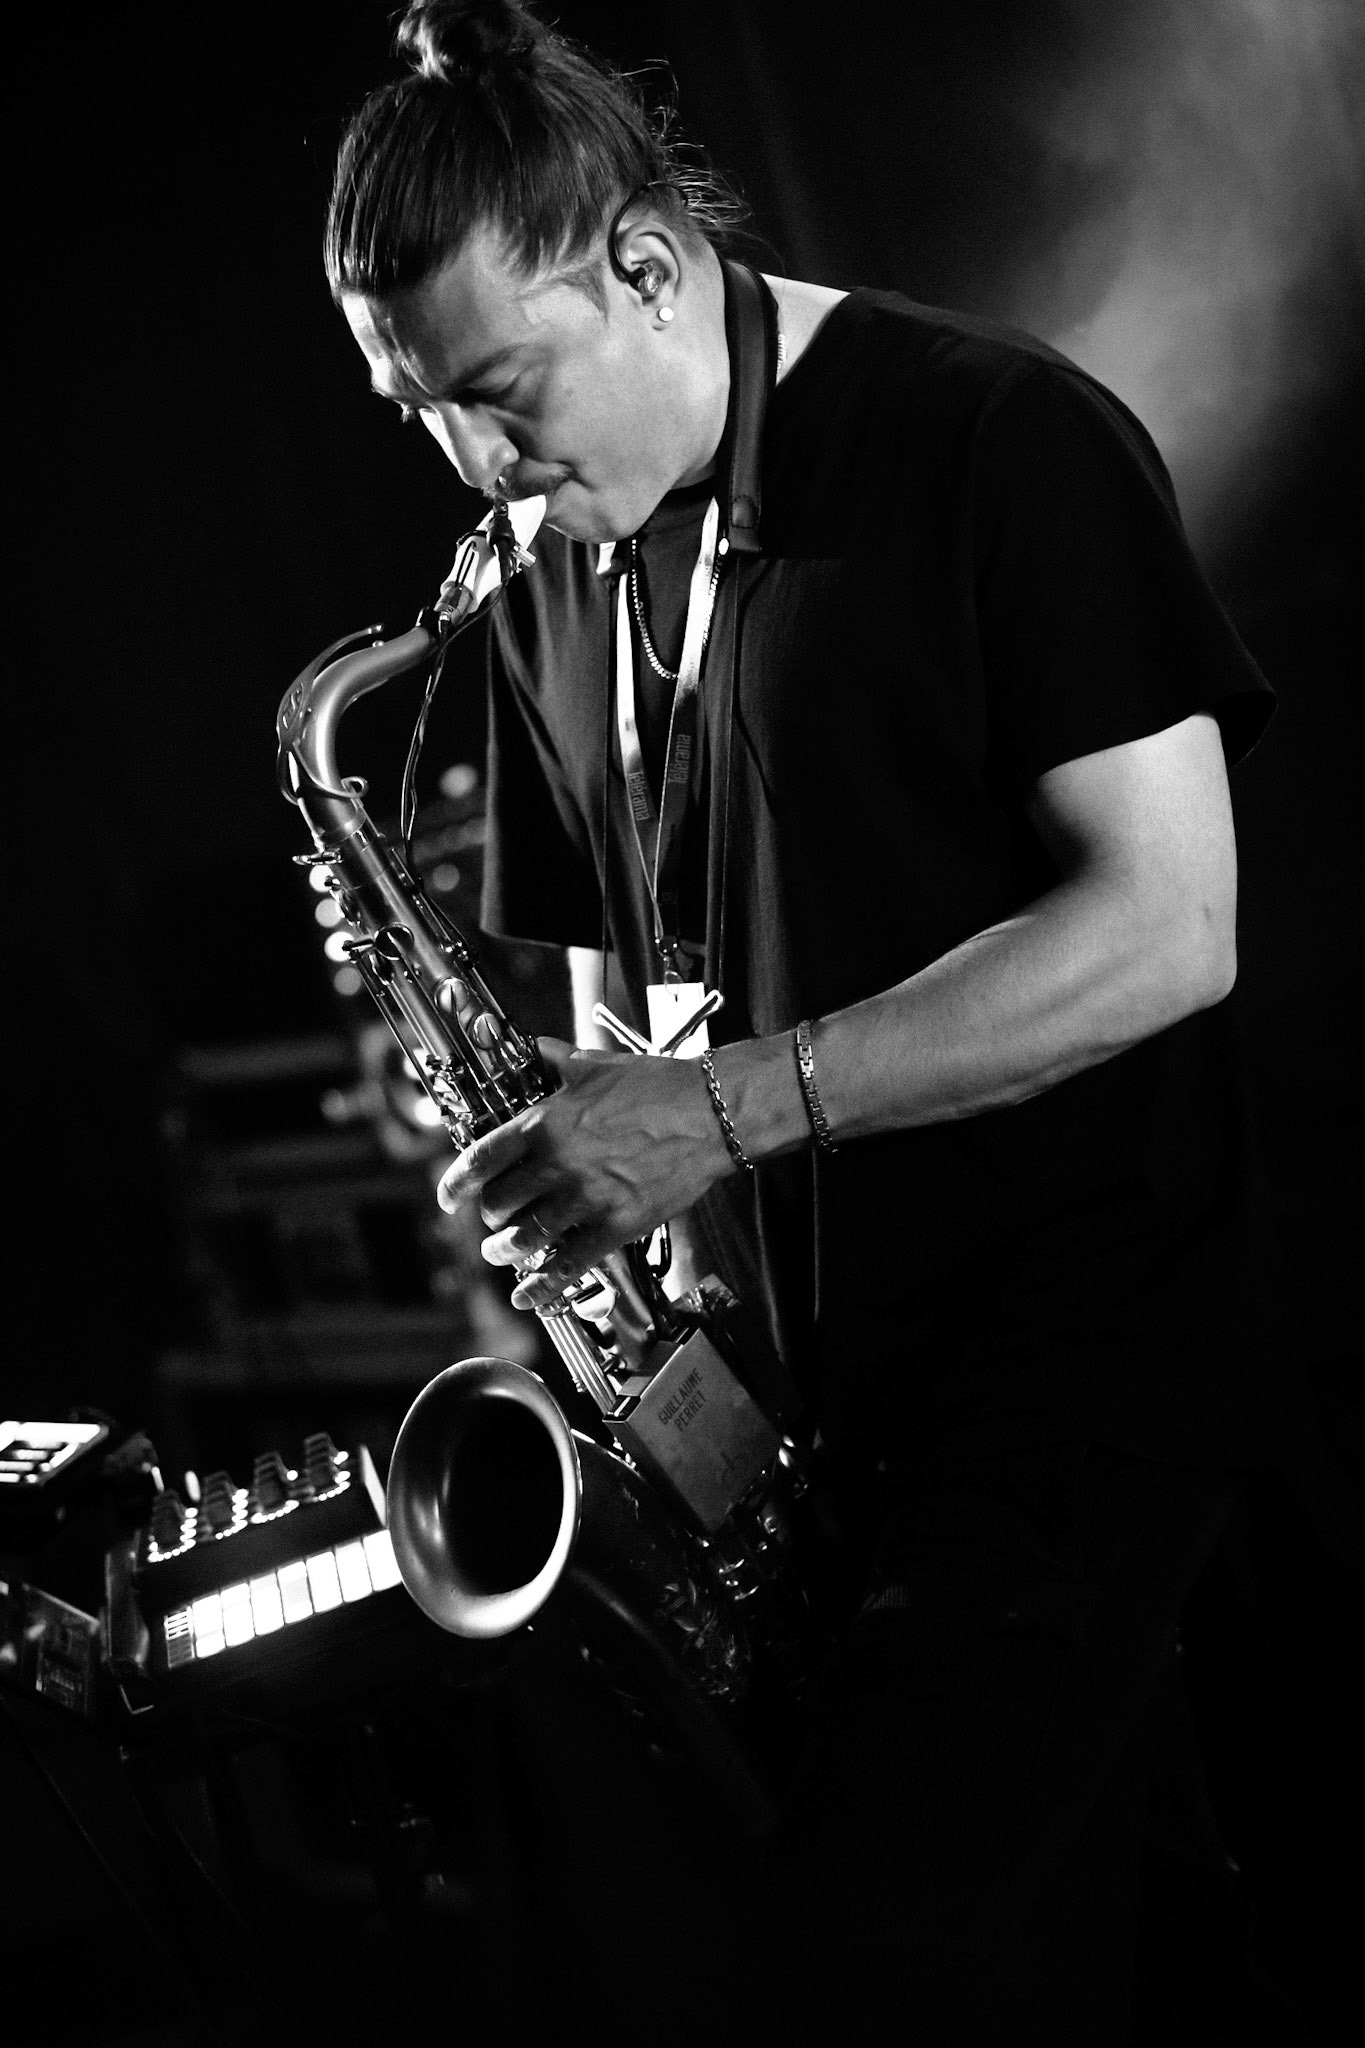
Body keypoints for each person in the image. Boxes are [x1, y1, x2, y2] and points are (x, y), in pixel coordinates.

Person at [325, 3, 1306, 2039]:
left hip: (1065, 1377)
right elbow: (616, 993)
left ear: (646, 266)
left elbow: (1173, 923)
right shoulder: (545, 572)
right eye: (420, 414)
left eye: (501, 394)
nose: (481, 471)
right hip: (808, 1433)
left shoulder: (987, 436)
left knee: (869, 1965)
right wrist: (578, 1195)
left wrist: (728, 1110)